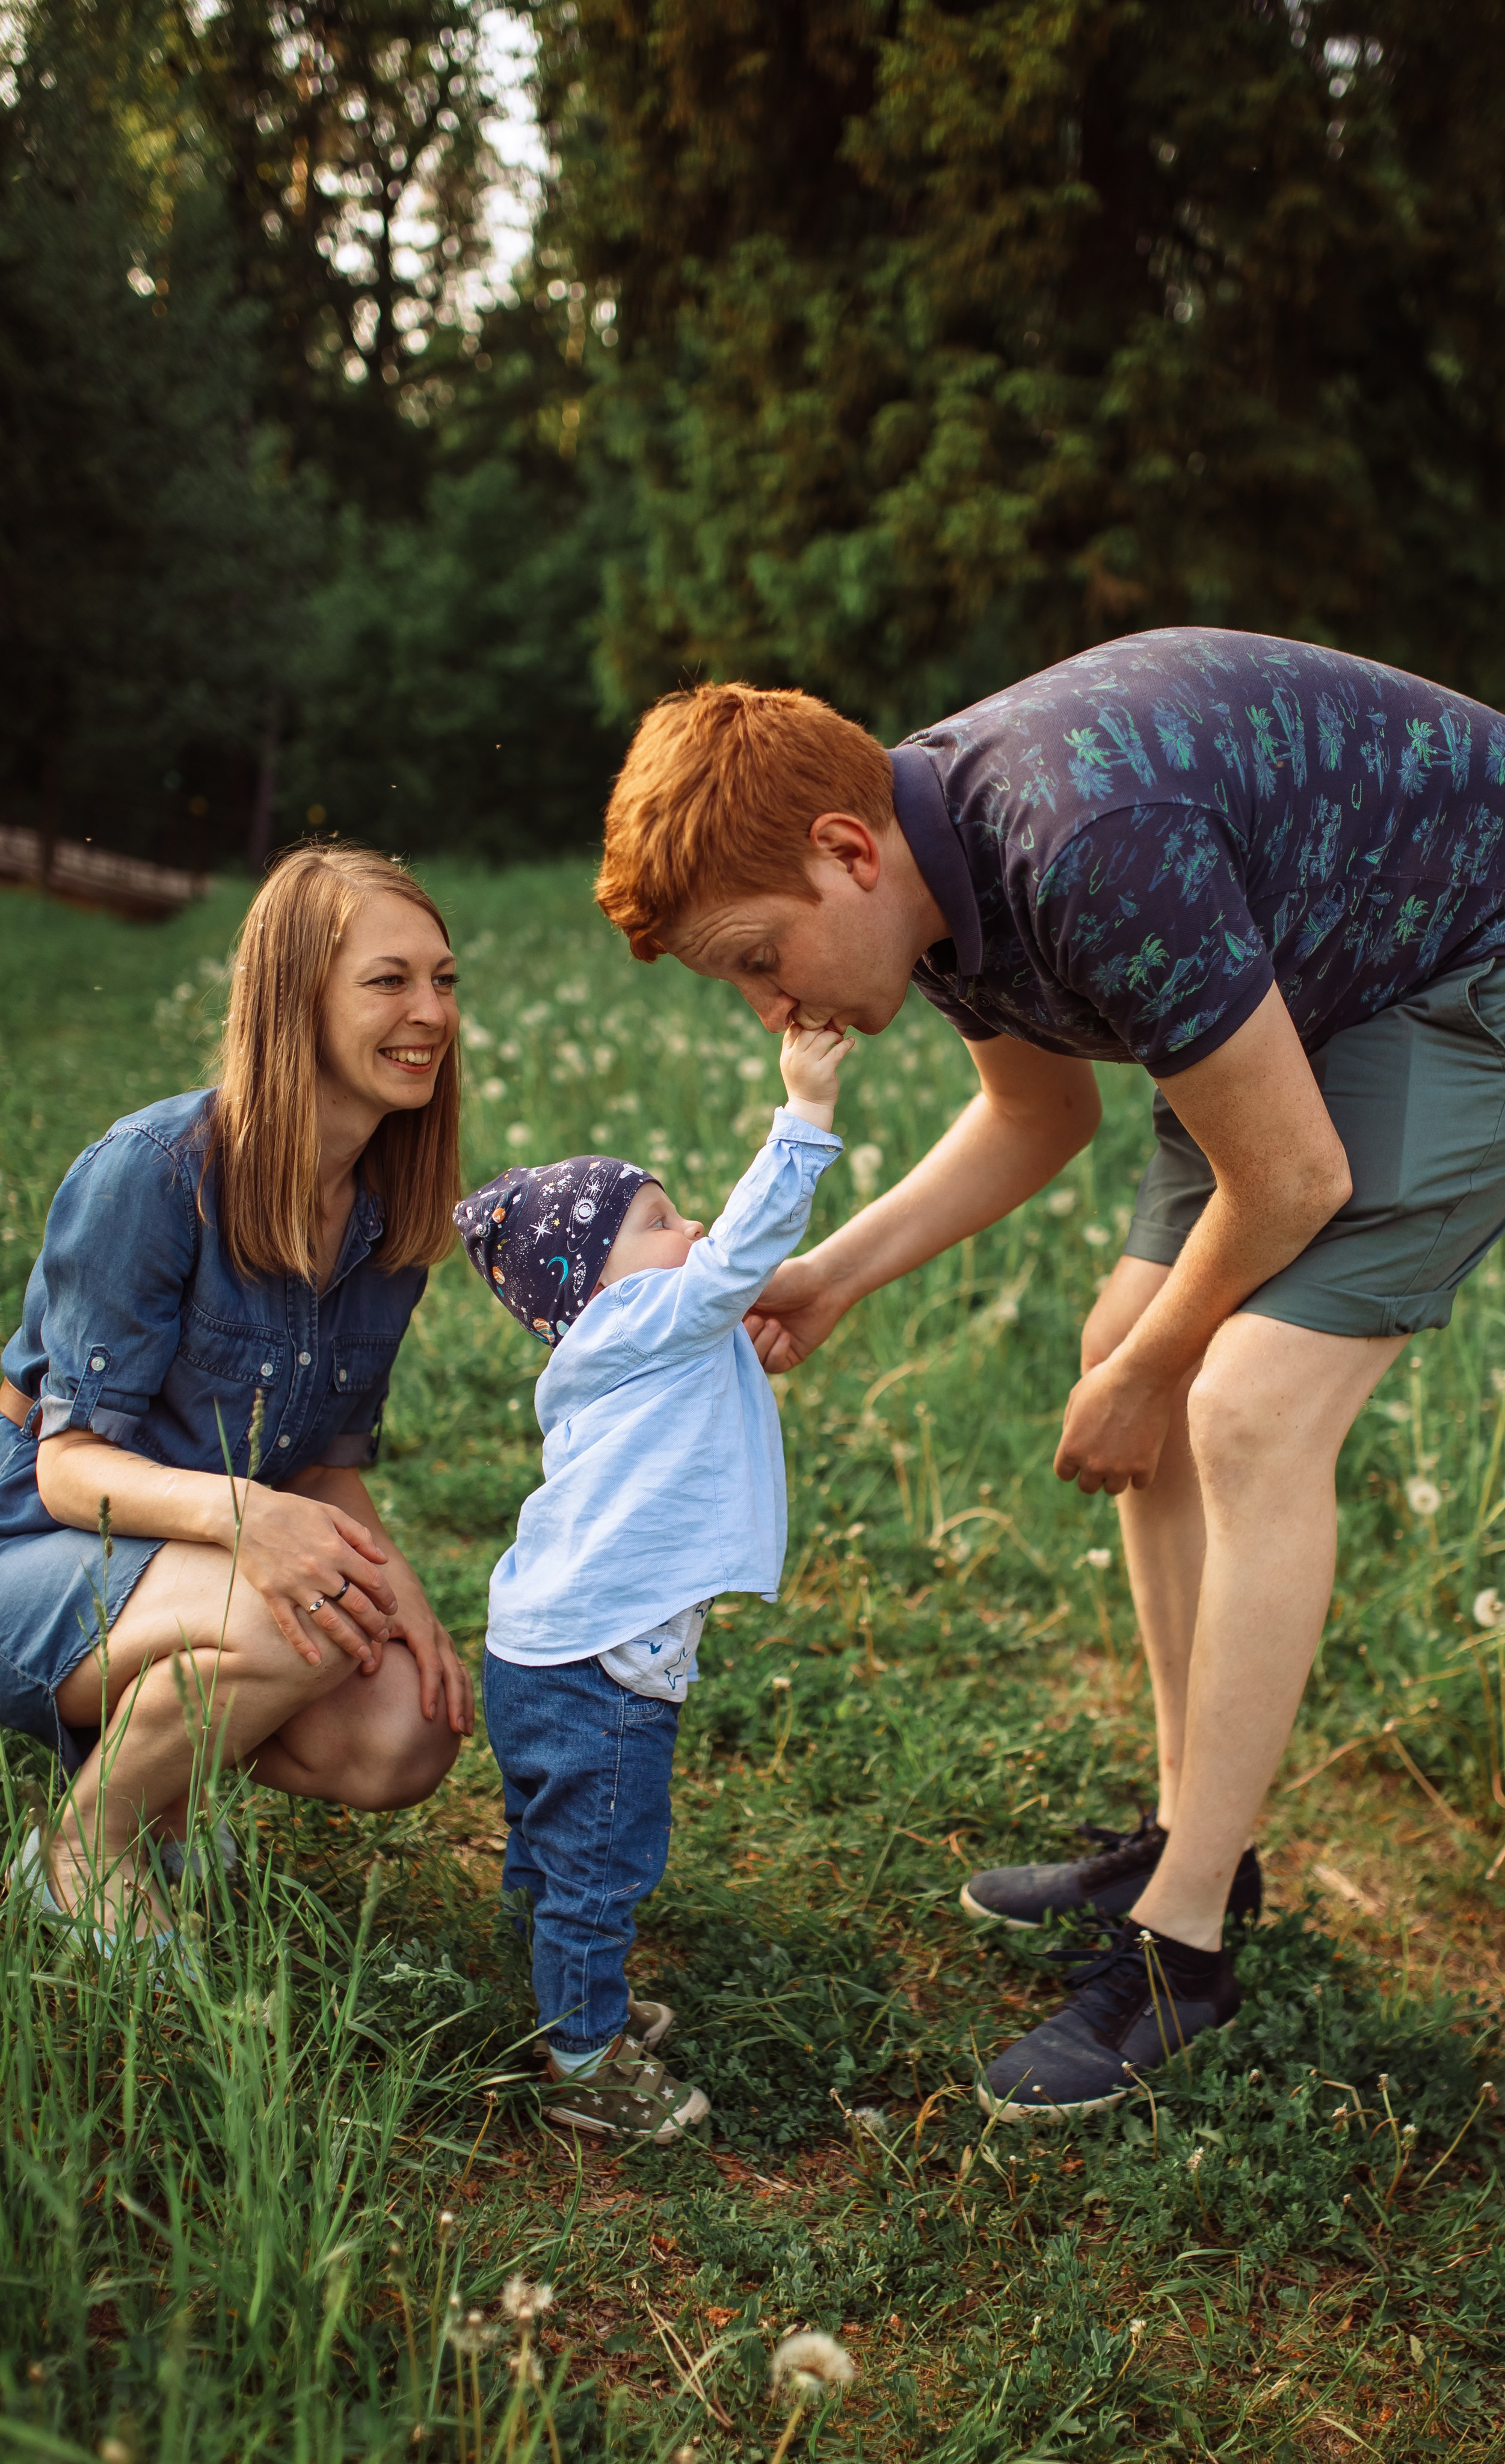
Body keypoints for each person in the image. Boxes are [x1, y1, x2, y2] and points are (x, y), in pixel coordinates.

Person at [593, 629, 1505, 2119]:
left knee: (1244, 1404)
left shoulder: (1082, 848)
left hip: (1465, 959)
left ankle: (1184, 1950)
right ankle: (1184, 1834)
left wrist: (1156, 1371)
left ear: (845, 850)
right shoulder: (933, 876)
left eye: (762, 959)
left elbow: (1287, 1177)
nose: (776, 1009)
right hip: (1311, 977)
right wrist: (832, 1275)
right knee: (1123, 1350)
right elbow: (1039, 1113)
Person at [1, 846, 474, 1948]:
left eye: (443, 980)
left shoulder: (385, 1215)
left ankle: (159, 1783)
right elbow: (70, 1469)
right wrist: (251, 1519)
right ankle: (85, 1851)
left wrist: (399, 1591)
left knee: (404, 1731)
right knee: (279, 1607)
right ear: (293, 1000)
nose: (430, 1013)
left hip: (170, 1569)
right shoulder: (158, 1170)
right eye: (388, 981)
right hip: (27, 1530)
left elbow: (319, 1463)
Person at [455, 1021, 851, 2142]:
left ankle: (544, 1990)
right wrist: (803, 1116)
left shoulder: (609, 1342)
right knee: (603, 1863)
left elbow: (719, 1279)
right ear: (589, 1282)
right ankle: (583, 2058)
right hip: (604, 1664)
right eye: (660, 1222)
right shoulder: (637, 1317)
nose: (692, 1231)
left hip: (535, 1646)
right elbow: (742, 1252)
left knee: (543, 1837)